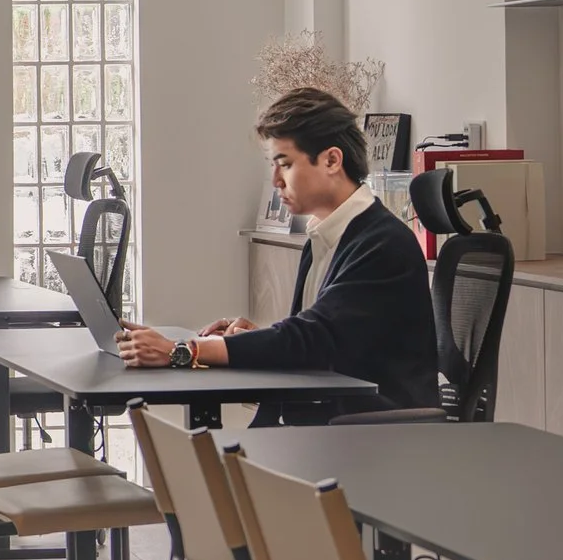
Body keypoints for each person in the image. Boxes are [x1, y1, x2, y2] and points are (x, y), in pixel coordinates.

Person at [116, 86, 437, 425]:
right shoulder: (325, 235)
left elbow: (312, 337)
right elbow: (320, 338)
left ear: (331, 160)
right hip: (328, 414)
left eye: (284, 165)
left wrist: (183, 351)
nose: (275, 181)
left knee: (204, 458)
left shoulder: (382, 244)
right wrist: (256, 338)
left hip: (366, 431)